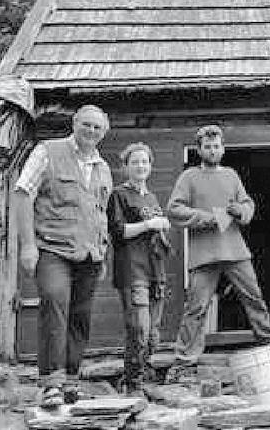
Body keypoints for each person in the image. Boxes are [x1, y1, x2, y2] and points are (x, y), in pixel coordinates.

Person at [15, 104, 113, 408]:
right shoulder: (48, 152)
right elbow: (22, 193)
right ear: (74, 123)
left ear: (104, 132)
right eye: (86, 124)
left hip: (90, 255)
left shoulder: (103, 167)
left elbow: (101, 214)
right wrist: (28, 245)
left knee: (80, 317)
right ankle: (51, 384)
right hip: (51, 248)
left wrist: (103, 251)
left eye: (97, 127)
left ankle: (71, 379)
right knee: (56, 303)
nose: (91, 131)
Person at [165, 124, 270, 380]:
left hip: (235, 250)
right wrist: (206, 218)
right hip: (204, 254)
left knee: (254, 298)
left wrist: (242, 211)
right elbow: (174, 209)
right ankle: (185, 360)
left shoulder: (231, 175)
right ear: (199, 149)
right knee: (196, 308)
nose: (213, 150)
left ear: (223, 148)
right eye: (208, 147)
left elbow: (247, 204)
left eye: (216, 146)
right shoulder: (189, 177)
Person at [107, 142, 171, 395]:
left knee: (153, 335)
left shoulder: (151, 197)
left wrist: (161, 227)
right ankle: (133, 385)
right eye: (135, 162)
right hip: (133, 271)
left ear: (150, 166)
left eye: (145, 162)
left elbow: (154, 227)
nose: (140, 166)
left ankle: (139, 378)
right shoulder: (119, 194)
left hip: (157, 270)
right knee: (139, 329)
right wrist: (150, 224)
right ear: (125, 167)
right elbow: (118, 232)